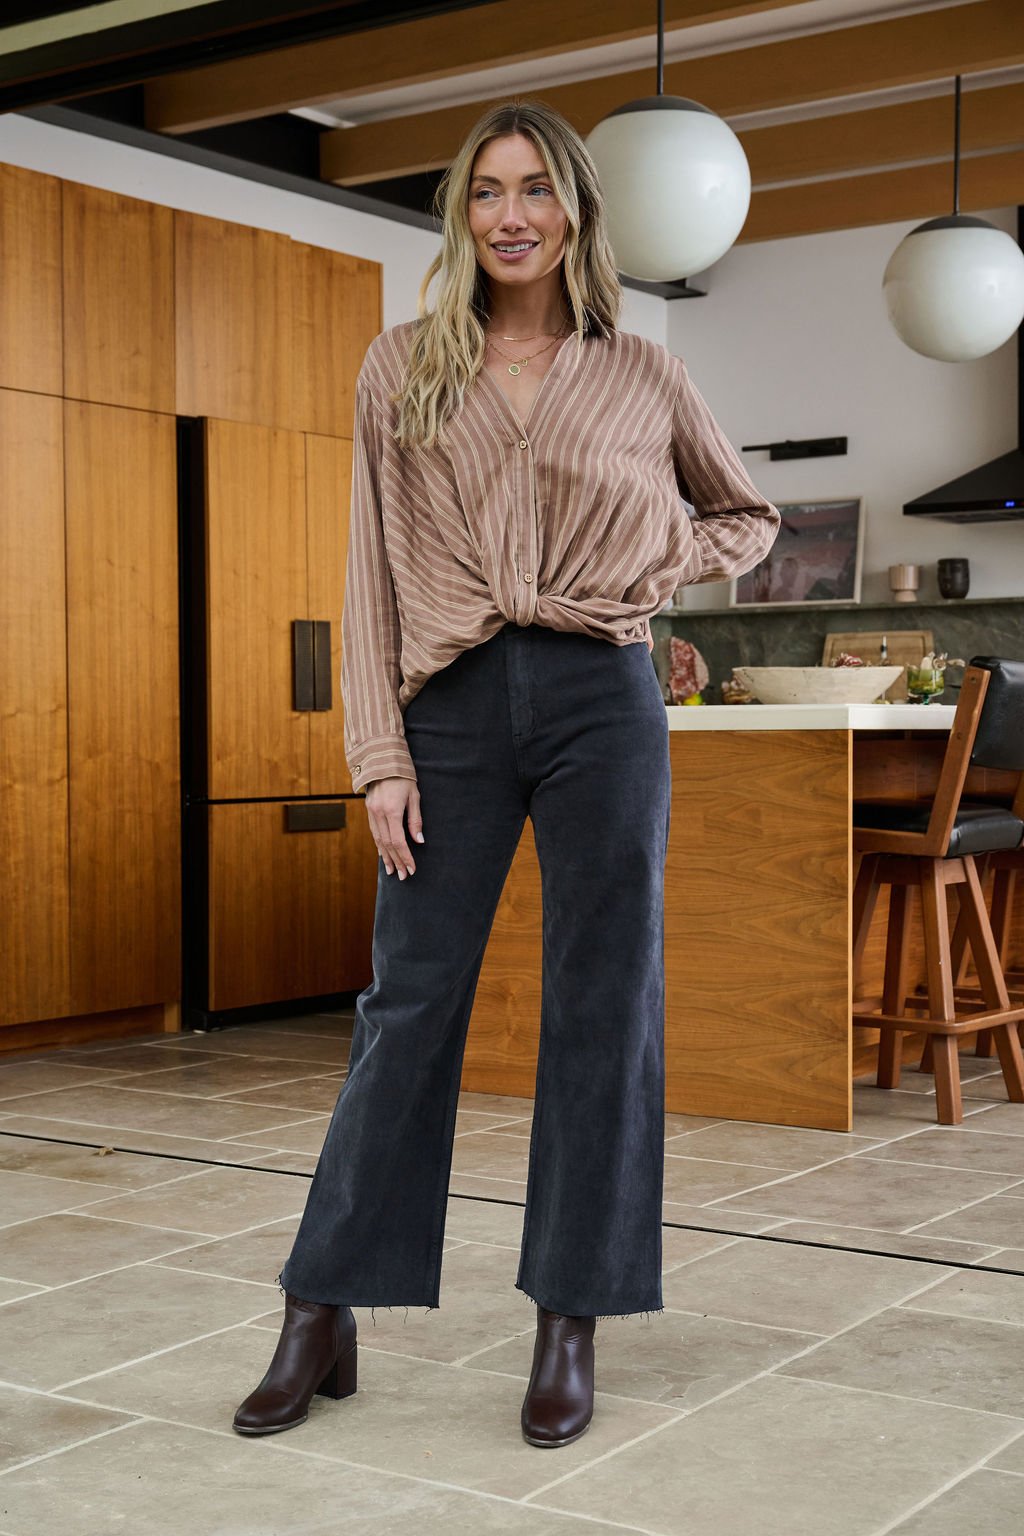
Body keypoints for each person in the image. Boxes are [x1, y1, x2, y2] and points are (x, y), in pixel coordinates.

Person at [233, 98, 780, 1449]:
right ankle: (322, 1303)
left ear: (577, 211)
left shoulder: (643, 373)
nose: (514, 214)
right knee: (410, 1001)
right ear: (460, 215)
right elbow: (364, 574)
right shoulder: (403, 364)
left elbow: (744, 516)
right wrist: (376, 758)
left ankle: (569, 1318)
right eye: (488, 192)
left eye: (538, 189)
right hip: (455, 706)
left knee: (605, 1002)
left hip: (605, 696)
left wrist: (652, 567)